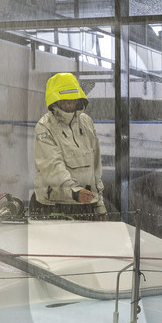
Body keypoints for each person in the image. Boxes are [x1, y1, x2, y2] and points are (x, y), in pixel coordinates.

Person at [32, 72, 107, 220]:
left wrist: (99, 204)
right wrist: (73, 191)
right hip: (54, 207)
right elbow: (52, 167)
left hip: (85, 204)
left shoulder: (86, 122)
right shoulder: (44, 127)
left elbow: (95, 167)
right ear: (54, 100)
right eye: (65, 99)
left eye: (73, 99)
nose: (69, 104)